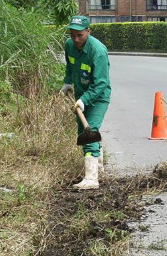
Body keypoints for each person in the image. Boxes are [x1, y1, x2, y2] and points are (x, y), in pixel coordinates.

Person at [60, 16, 111, 190]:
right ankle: (100, 169)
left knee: (91, 132)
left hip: (98, 97)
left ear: (88, 31)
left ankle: (91, 179)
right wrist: (67, 82)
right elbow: (70, 65)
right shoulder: (69, 45)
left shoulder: (98, 51)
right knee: (83, 131)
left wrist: (85, 100)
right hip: (81, 95)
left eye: (80, 35)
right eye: (72, 35)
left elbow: (101, 83)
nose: (76, 39)